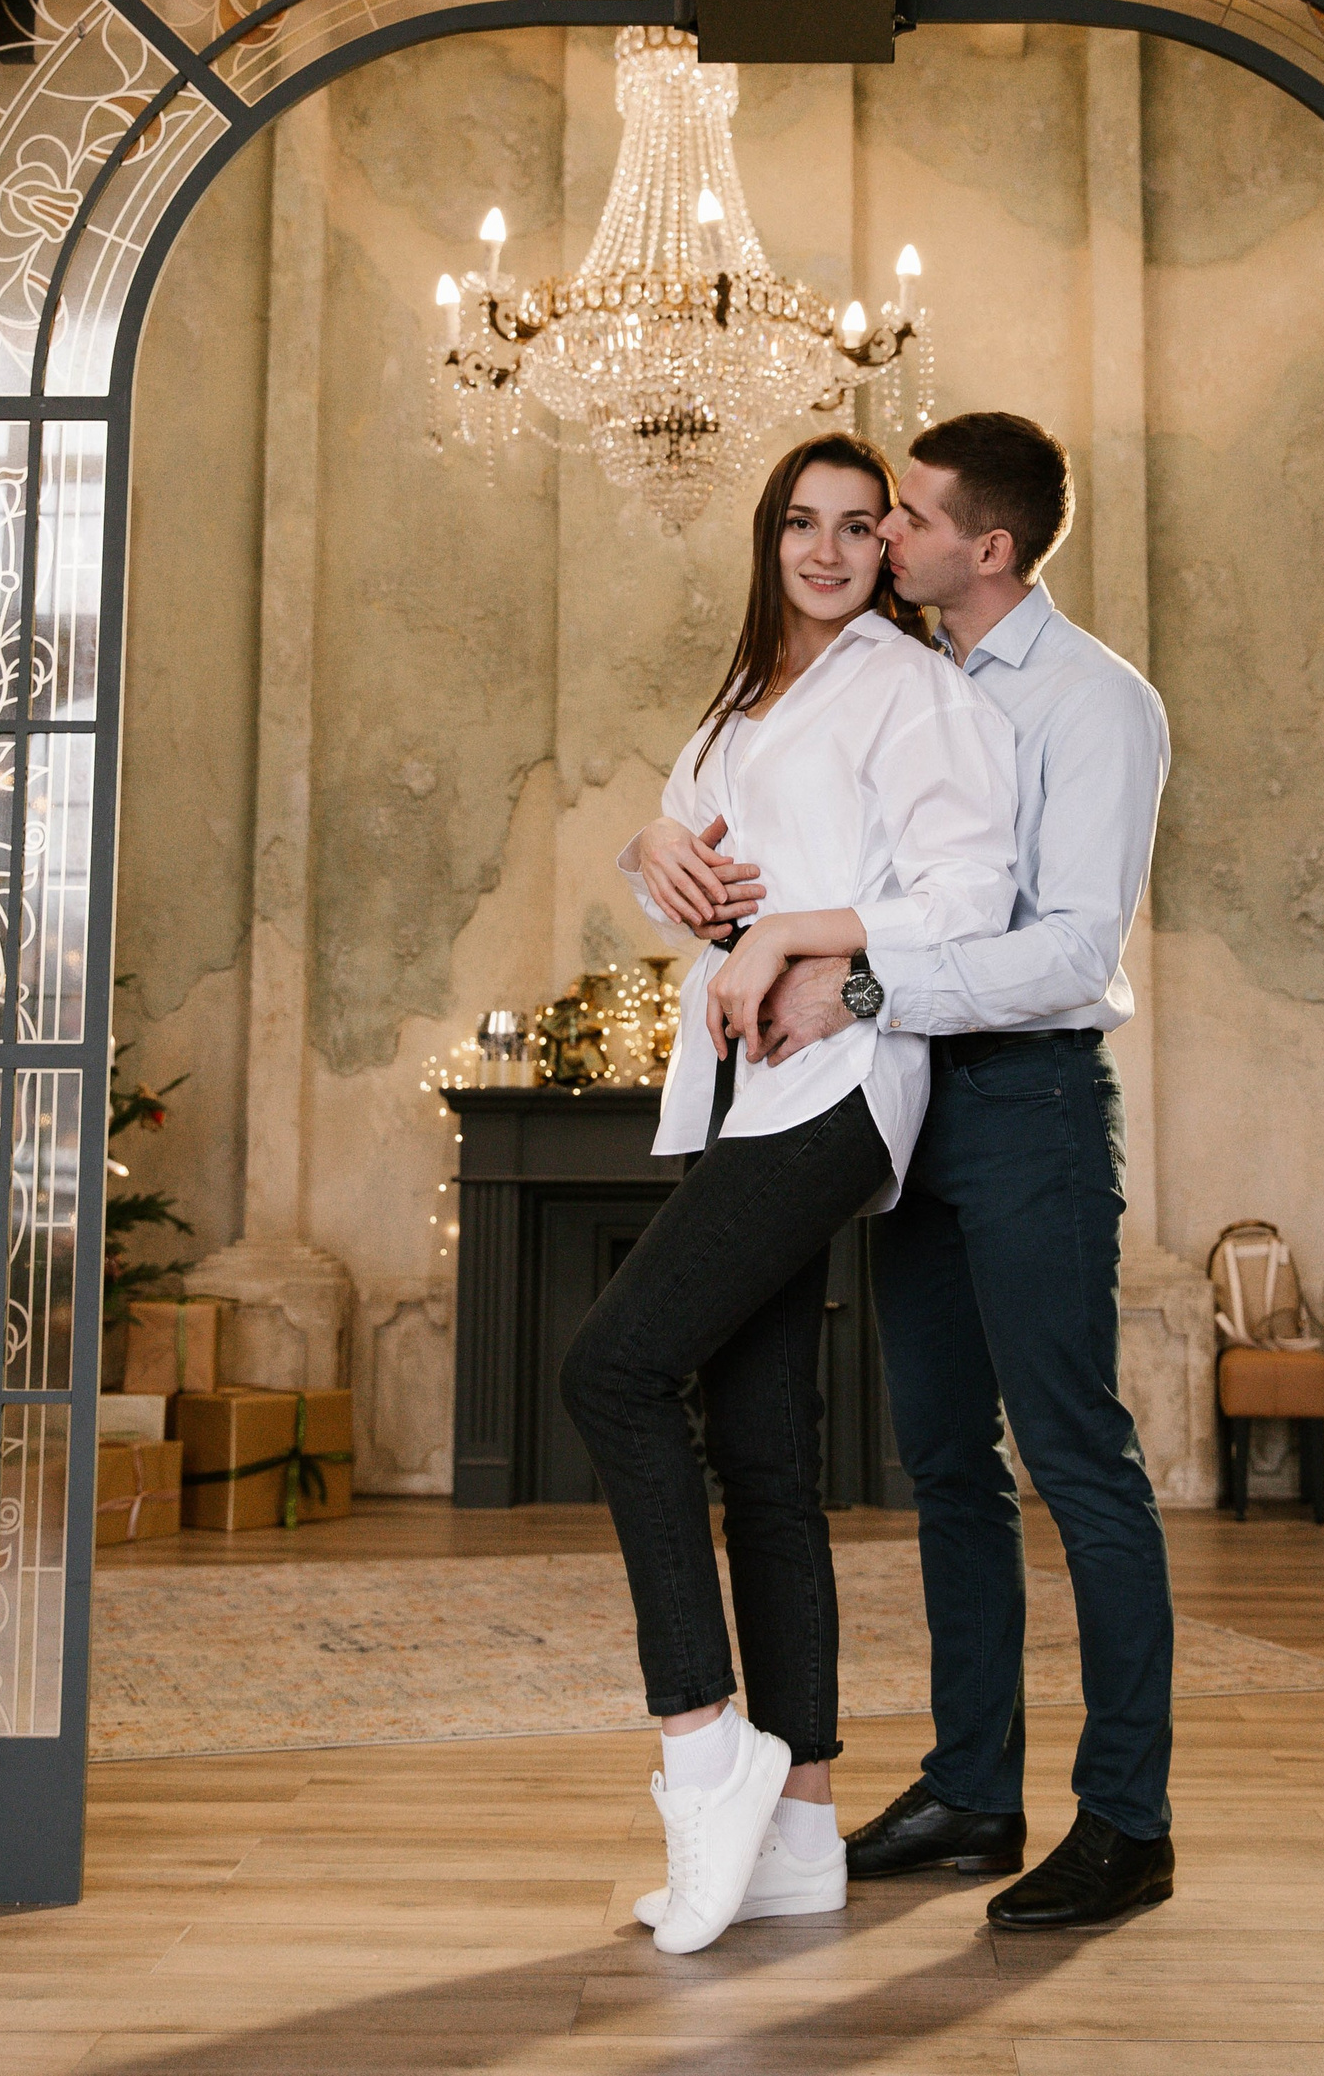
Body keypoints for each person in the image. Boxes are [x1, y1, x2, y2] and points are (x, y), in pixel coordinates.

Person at [559, 432, 1017, 1956]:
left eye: (856, 525)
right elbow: (691, 879)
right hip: (738, 1090)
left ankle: (707, 1749)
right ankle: (805, 1829)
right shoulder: (742, 700)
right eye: (801, 522)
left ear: (890, 546)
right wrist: (647, 842)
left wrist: (791, 941)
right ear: (768, 537)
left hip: (838, 1082)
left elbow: (967, 896)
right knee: (763, 1453)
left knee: (612, 1368)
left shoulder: (911, 688)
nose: (826, 549)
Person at [758, 410, 1175, 1932]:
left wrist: (864, 986)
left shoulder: (1095, 701)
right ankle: (972, 1792)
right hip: (914, 1103)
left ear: (986, 547)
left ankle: (1127, 1821)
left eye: (908, 518)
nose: (878, 537)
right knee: (944, 1463)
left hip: (1031, 1108)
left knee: (1078, 1459)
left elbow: (1071, 951)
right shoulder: (909, 682)